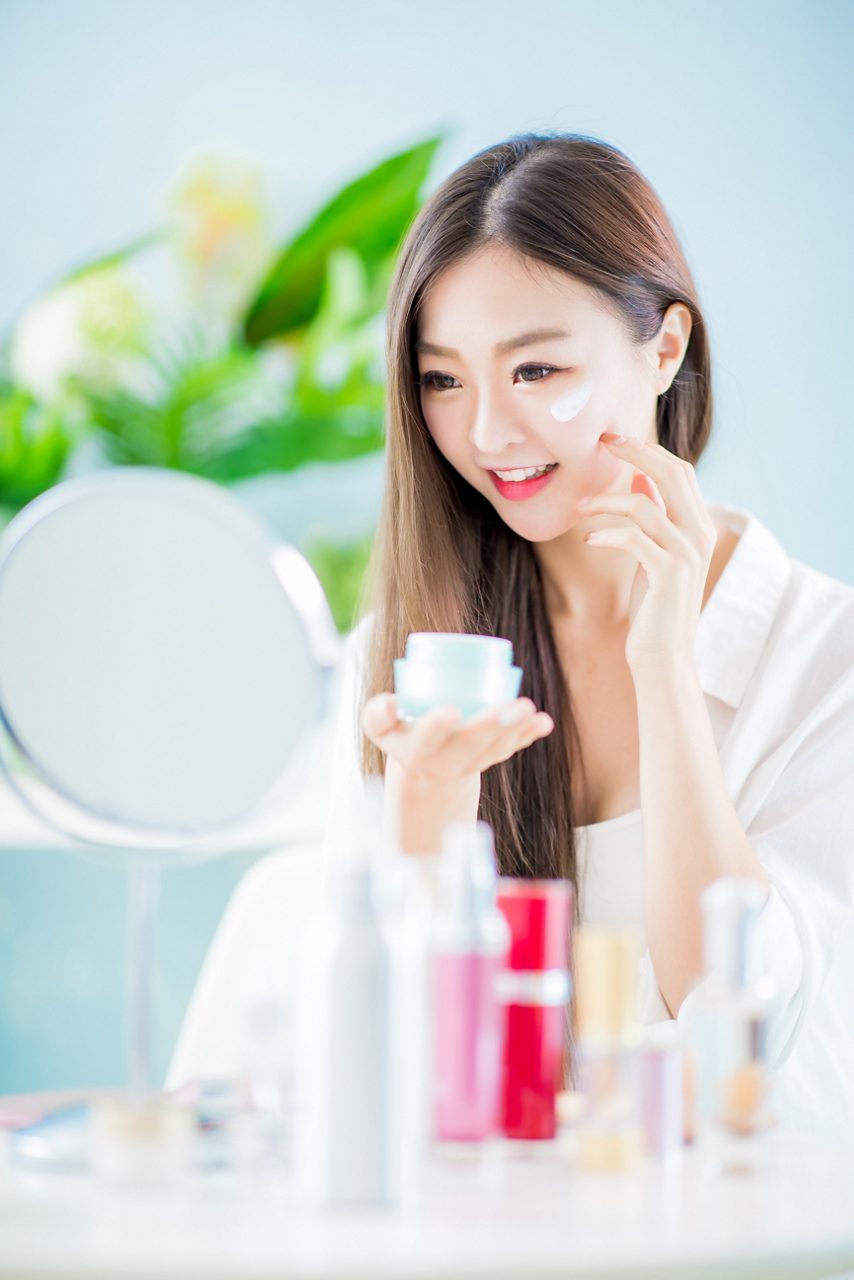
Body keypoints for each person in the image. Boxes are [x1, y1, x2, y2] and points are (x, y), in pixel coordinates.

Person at [321, 132, 854, 1139]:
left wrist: (662, 666)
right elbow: (386, 1074)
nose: (485, 432)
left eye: (534, 369)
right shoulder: (404, 652)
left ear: (663, 348)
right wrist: (428, 805)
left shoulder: (825, 661)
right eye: (441, 381)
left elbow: (748, 1048)